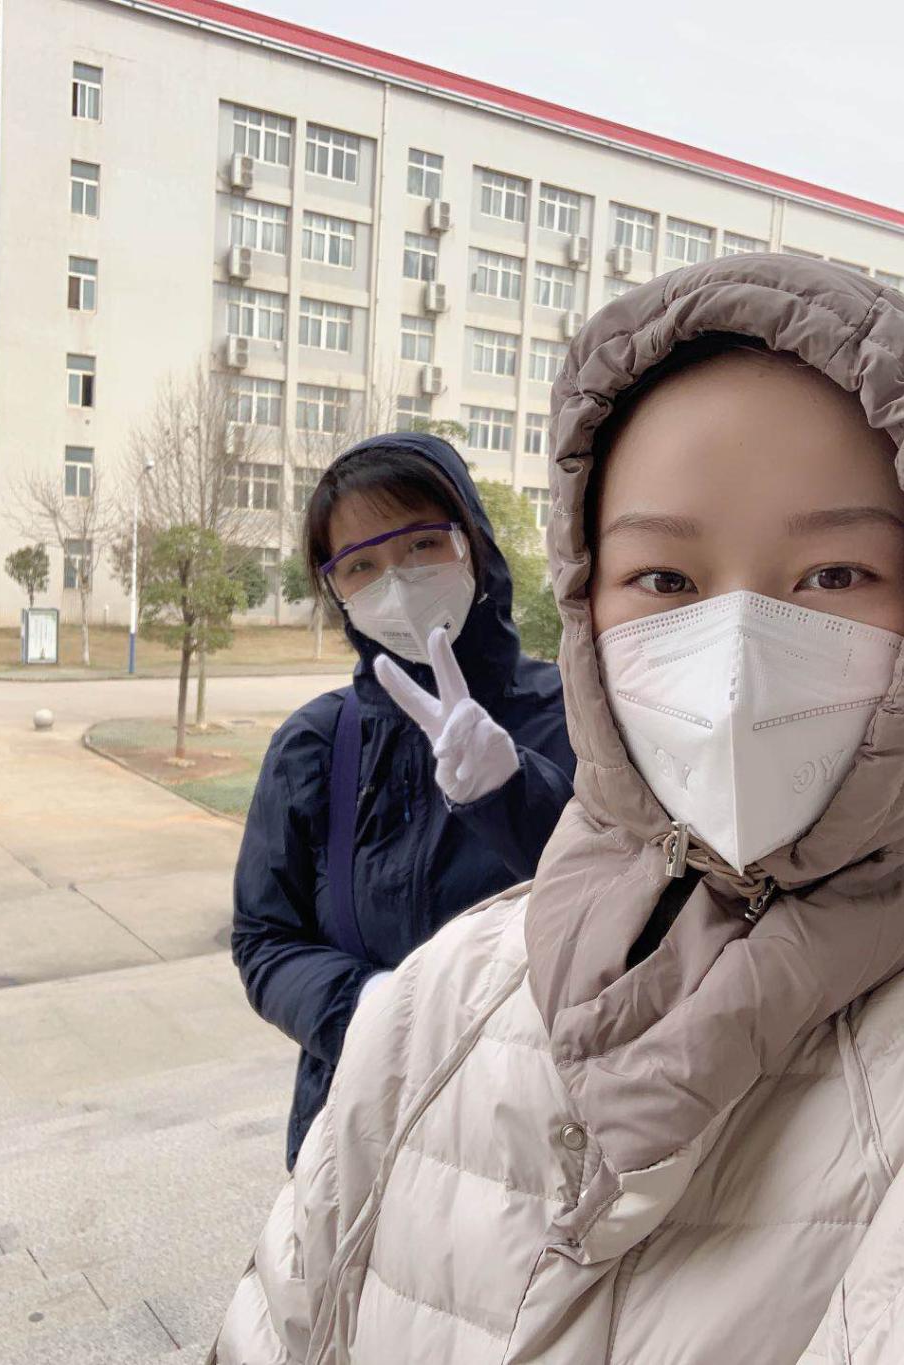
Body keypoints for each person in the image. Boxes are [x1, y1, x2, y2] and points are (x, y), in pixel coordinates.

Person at [213, 257, 904, 1364]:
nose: (734, 668)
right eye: (667, 582)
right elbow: (267, 938)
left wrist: (504, 788)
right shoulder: (408, 936)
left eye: (834, 575)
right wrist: (382, 1024)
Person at [231, 432, 575, 1170]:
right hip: (360, 1145)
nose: (397, 582)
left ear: (473, 543)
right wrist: (372, 1008)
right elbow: (263, 937)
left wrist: (512, 794)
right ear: (337, 591)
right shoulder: (317, 745)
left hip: (529, 1146)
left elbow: (630, 907)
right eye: (360, 565)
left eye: (422, 545)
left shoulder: (581, 716)